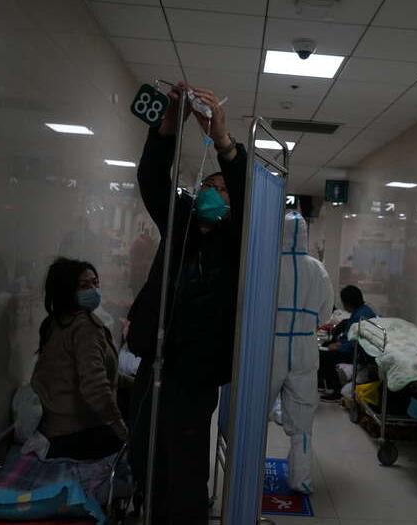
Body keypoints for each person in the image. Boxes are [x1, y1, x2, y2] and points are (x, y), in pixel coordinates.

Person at [127, 83, 246, 524]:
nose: (217, 193)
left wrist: (223, 142)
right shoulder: (180, 224)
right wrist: (168, 127)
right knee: (145, 455)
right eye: (211, 186)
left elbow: (248, 194)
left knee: (186, 465)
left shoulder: (236, 243)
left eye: (225, 190)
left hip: (197, 373)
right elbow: (151, 179)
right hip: (154, 361)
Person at [31, 257, 128, 460]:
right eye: (84, 286)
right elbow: (95, 386)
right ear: (67, 291)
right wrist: (119, 427)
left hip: (54, 429)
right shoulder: (84, 328)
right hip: (76, 433)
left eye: (95, 283)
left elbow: (98, 372)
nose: (93, 290)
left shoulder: (57, 323)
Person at [268, 211, 333, 494]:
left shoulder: (269, 264)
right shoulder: (318, 269)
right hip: (304, 348)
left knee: (255, 413)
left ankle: (245, 477)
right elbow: (325, 313)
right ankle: (301, 480)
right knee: (303, 417)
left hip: (271, 347)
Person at [318, 285, 377, 401]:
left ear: (348, 303)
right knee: (325, 346)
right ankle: (325, 383)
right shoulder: (360, 311)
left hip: (358, 353)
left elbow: (358, 342)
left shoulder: (361, 316)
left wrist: (340, 347)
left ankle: (335, 390)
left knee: (324, 356)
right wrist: (340, 343)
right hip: (352, 347)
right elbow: (350, 336)